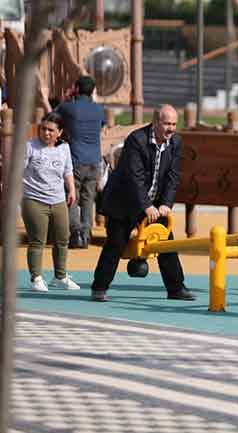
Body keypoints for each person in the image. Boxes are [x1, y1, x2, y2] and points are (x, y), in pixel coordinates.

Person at [90, 105, 195, 302]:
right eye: (166, 124)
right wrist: (146, 206)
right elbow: (134, 177)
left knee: (166, 242)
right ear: (155, 122)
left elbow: (173, 176)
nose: (171, 128)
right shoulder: (137, 140)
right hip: (125, 201)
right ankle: (99, 288)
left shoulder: (176, 142)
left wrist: (166, 205)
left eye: (174, 124)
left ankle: (176, 288)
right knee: (116, 244)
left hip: (153, 203)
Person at [22, 112, 80, 292]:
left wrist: (71, 189)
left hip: (58, 200)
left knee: (63, 239)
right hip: (34, 200)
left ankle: (60, 276)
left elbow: (68, 170)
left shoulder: (64, 148)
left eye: (51, 130)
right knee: (37, 240)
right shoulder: (30, 146)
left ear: (60, 132)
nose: (46, 133)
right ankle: (36, 278)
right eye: (43, 129)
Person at [57, 75, 106, 249]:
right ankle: (86, 234)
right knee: (88, 199)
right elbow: (102, 124)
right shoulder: (100, 109)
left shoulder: (68, 108)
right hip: (95, 161)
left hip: (76, 160)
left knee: (71, 197)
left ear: (76, 89)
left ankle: (76, 232)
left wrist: (65, 99)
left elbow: (51, 118)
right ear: (93, 91)